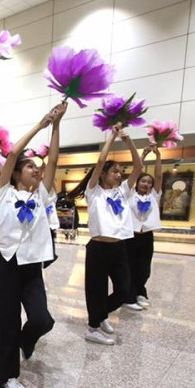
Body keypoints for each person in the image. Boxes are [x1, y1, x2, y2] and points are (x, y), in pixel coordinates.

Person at [0, 103, 65, 388]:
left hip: (33, 267)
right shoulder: (3, 193)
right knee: (6, 324)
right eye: (30, 167)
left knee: (42, 319)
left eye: (36, 168)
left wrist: (56, 126)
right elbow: (13, 154)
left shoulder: (41, 193)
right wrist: (40, 124)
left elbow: (52, 161)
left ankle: (28, 341)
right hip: (9, 266)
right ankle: (6, 376)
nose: (36, 170)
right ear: (15, 174)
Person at [66, 124, 143, 345]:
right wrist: (112, 137)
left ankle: (99, 316)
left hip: (119, 247)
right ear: (103, 175)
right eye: (115, 171)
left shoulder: (124, 191)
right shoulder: (94, 191)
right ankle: (93, 327)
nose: (119, 175)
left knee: (124, 290)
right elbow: (100, 162)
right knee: (96, 290)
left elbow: (138, 166)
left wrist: (128, 141)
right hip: (98, 247)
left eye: (121, 172)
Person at [125, 144, 163, 308]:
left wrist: (158, 157)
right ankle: (129, 297)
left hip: (146, 235)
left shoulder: (153, 197)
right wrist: (144, 155)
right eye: (143, 181)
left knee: (144, 268)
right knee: (130, 267)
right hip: (131, 236)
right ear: (137, 183)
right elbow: (136, 171)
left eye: (149, 182)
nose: (146, 184)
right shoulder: (130, 195)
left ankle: (139, 293)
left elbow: (160, 177)